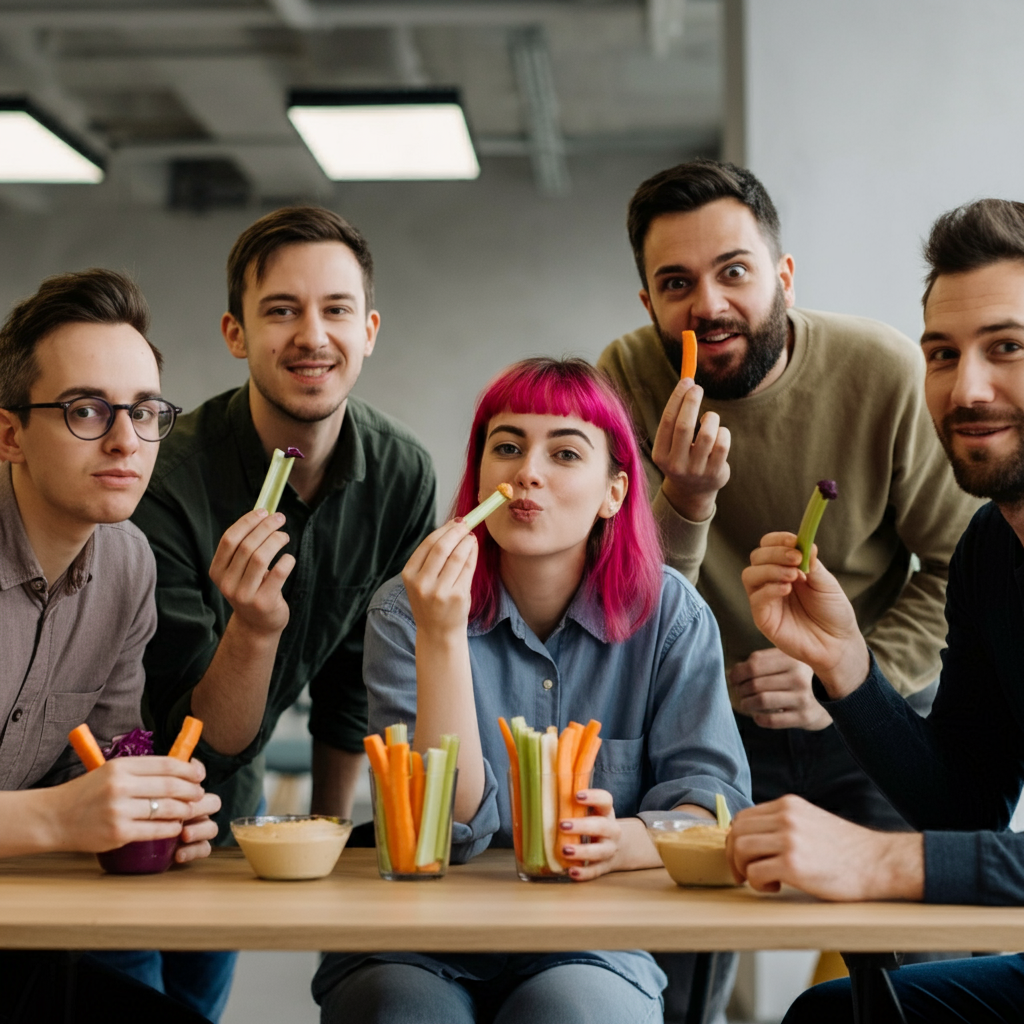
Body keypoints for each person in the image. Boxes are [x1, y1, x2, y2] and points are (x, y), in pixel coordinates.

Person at [311, 357, 751, 1024]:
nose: (526, 471)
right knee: (401, 1011)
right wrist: (442, 637)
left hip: (589, 942)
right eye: (507, 446)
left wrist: (624, 840)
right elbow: (445, 834)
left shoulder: (672, 619)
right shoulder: (406, 611)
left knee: (577, 1011)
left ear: (613, 492)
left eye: (565, 452)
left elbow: (716, 815)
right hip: (416, 939)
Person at [597, 158, 980, 833]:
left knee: (905, 932)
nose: (708, 305)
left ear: (785, 277)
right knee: (672, 930)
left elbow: (959, 566)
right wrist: (684, 502)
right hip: (700, 719)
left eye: (734, 271)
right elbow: (628, 602)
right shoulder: (624, 377)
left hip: (873, 709)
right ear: (648, 303)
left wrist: (848, 677)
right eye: (676, 283)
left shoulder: (883, 371)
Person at [130, 207, 436, 1017]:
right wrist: (253, 630)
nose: (313, 335)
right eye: (281, 309)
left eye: (336, 309)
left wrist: (328, 841)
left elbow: (354, 679)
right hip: (127, 786)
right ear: (236, 332)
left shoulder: (402, 474)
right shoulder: (169, 479)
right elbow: (195, 734)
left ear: (368, 329)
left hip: (235, 805)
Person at [732, 197, 1024, 1022]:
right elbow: (965, 805)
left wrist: (882, 863)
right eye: (942, 354)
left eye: (1007, 348)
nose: (967, 389)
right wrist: (846, 665)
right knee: (828, 1018)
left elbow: (927, 844)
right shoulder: (987, 551)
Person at [0, 269, 220, 1023]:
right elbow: (67, 806)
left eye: (146, 411)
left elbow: (98, 755)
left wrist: (147, 811)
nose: (127, 440)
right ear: (9, 434)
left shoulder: (129, 562)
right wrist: (64, 819)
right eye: (86, 410)